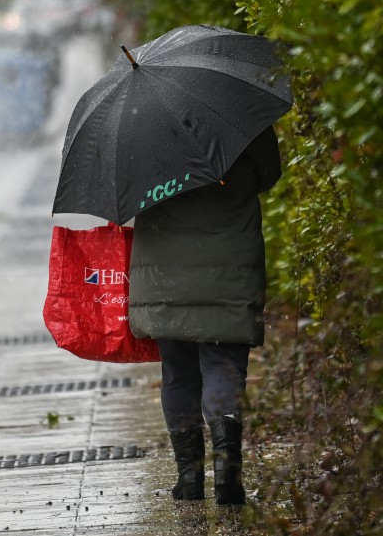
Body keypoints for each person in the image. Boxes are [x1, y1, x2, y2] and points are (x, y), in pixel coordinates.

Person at [128, 125, 282, 505]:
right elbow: (269, 174)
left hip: (164, 276)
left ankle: (189, 477)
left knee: (178, 372)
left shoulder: (139, 131)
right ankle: (227, 468)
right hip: (229, 269)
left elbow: (126, 198)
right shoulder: (241, 118)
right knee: (223, 366)